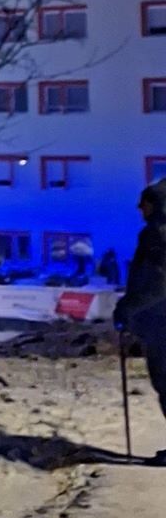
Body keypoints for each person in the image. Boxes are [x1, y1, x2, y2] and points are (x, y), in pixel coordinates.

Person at [115, 183, 166, 455]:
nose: (139, 209)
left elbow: (159, 283)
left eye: (144, 203)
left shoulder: (158, 235)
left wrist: (128, 307)